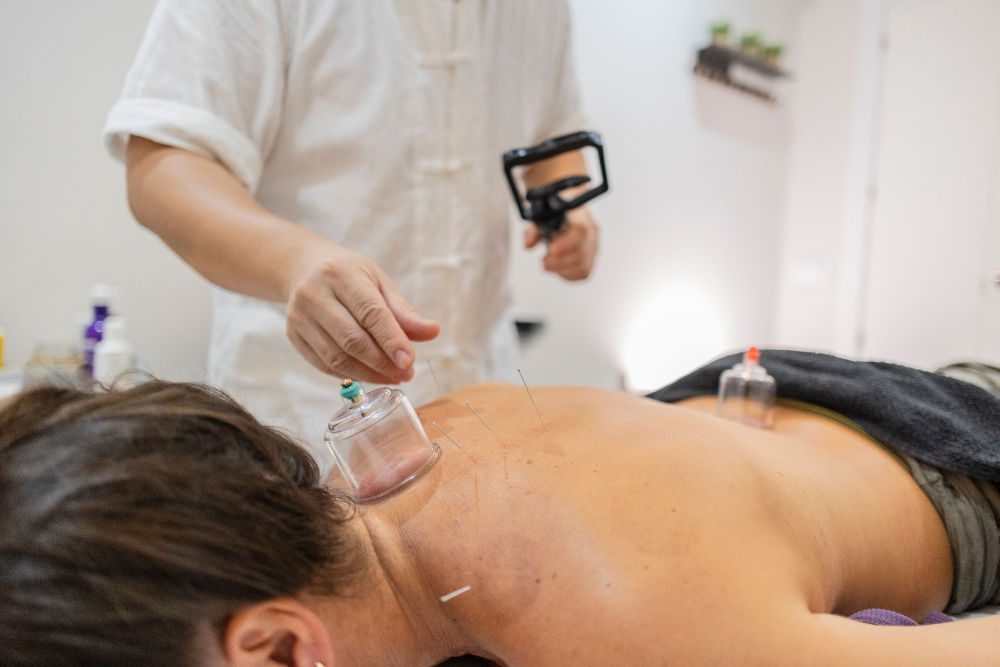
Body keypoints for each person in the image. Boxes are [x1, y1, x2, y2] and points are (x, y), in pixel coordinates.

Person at [3, 378, 1000, 667]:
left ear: (275, 653)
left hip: (955, 469)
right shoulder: (392, 475)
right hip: (779, 417)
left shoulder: (626, 623)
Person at [103, 0, 600, 465]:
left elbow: (551, 139)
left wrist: (565, 211)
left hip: (480, 400)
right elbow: (162, 169)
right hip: (302, 420)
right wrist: (293, 261)